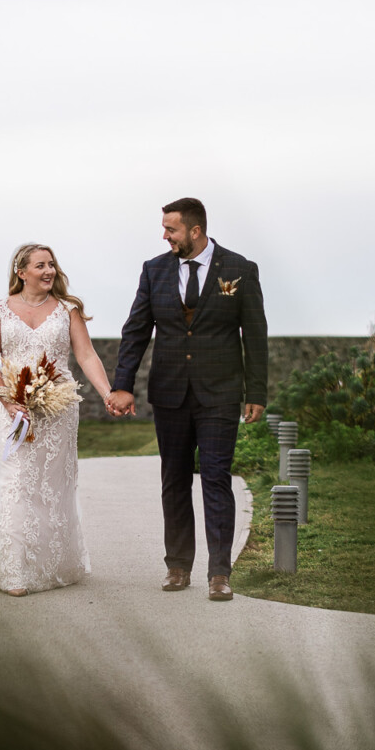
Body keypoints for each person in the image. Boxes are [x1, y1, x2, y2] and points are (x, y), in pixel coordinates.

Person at [108, 198, 268, 601]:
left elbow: (256, 334)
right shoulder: (154, 270)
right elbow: (136, 330)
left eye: (171, 229)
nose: (165, 236)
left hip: (220, 393)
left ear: (195, 231)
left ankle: (219, 573)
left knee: (216, 478)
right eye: (164, 229)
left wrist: (257, 392)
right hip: (170, 393)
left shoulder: (239, 269)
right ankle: (178, 567)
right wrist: (123, 384)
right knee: (174, 480)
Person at [0, 243, 116, 597]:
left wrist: (106, 393)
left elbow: (86, 355)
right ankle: (15, 571)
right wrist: (9, 401)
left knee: (51, 486)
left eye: (52, 264)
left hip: (58, 408)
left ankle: (54, 562)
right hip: (13, 408)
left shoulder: (67, 310)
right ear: (21, 272)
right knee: (17, 480)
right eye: (40, 265)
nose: (49, 271)